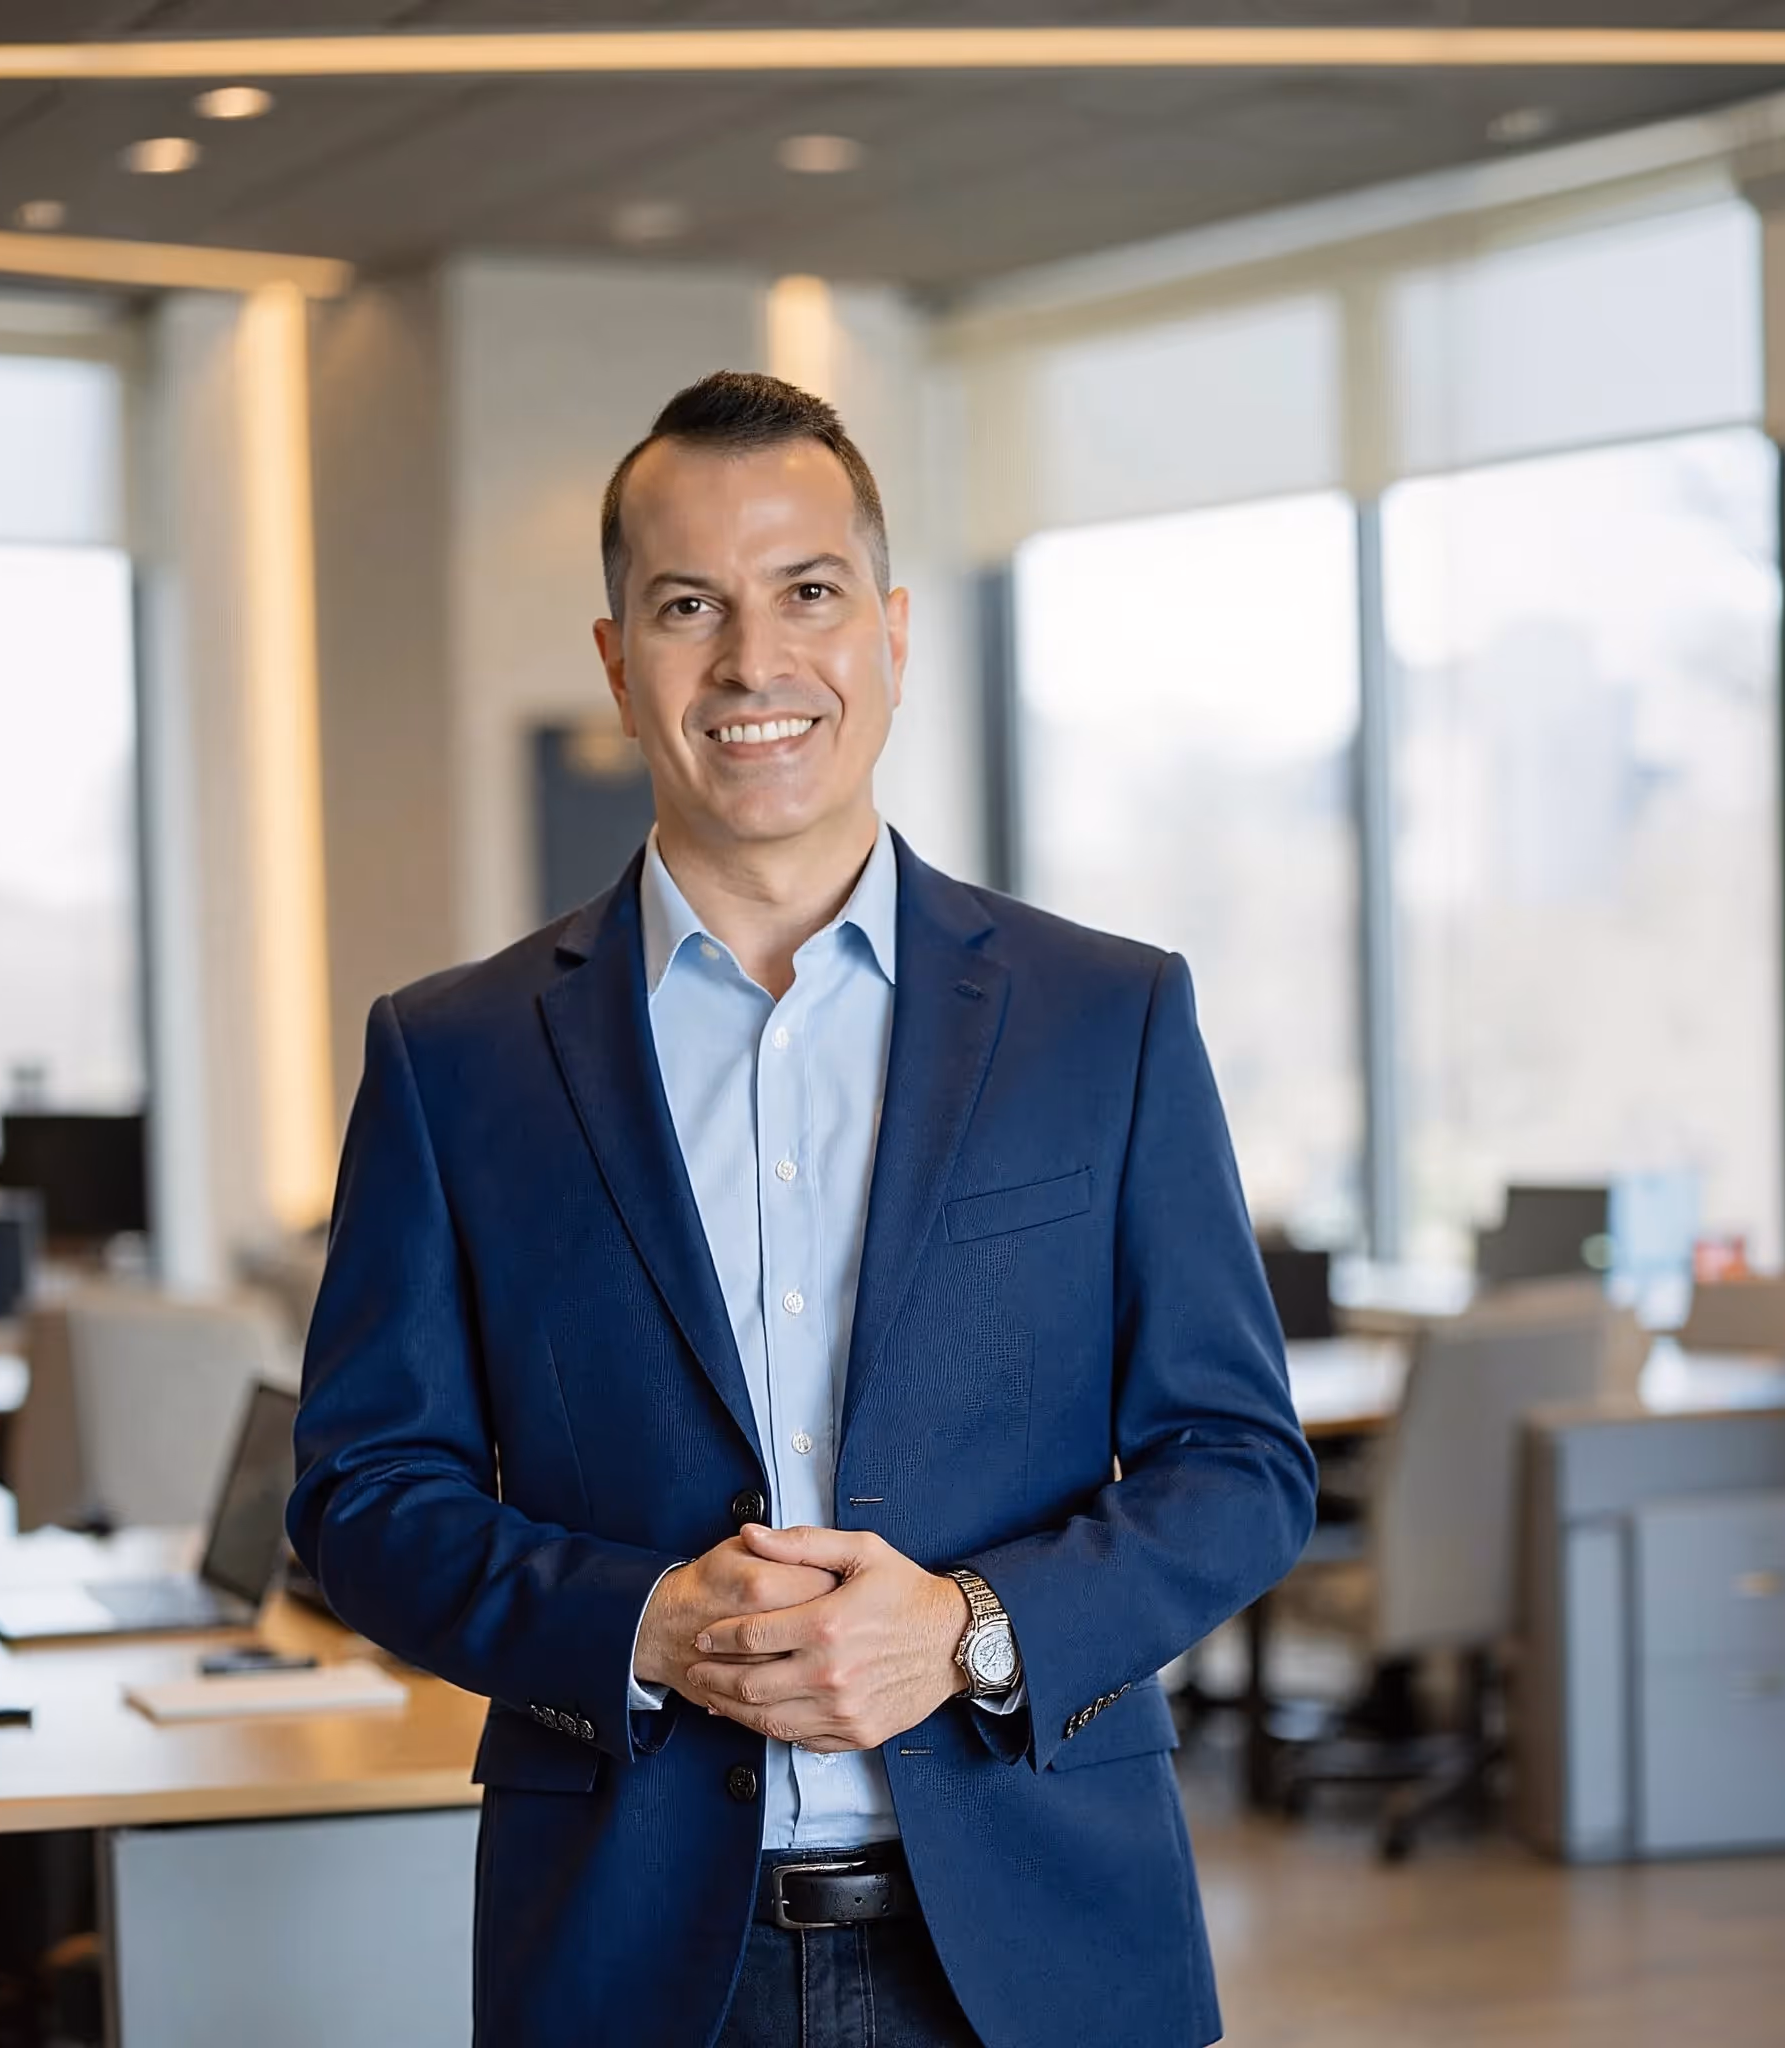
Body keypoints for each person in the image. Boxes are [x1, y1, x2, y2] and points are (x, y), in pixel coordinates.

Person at [288, 370, 1316, 2048]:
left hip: (1044, 1941)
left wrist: (972, 1633)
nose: (755, 663)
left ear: (892, 635)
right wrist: (639, 1626)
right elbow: (361, 1497)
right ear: (620, 663)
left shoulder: (1104, 1021)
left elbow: (1242, 1469)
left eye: (809, 594)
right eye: (690, 606)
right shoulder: (454, 1058)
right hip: (625, 1959)